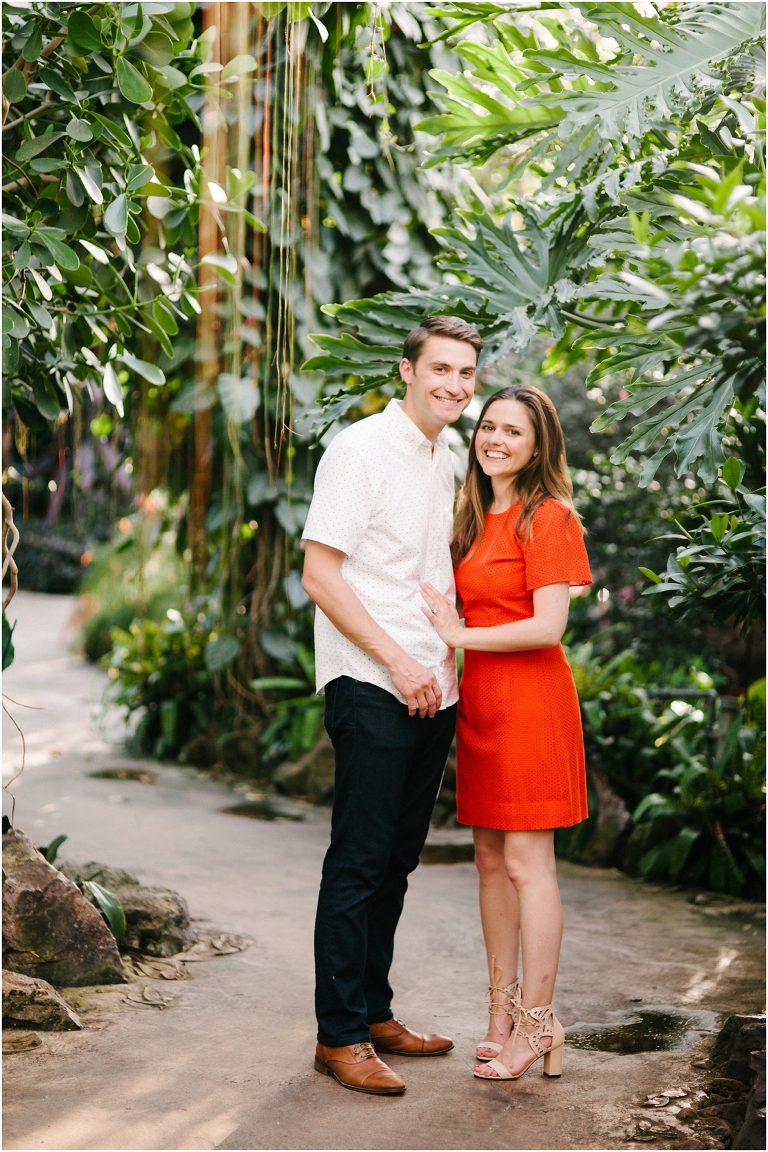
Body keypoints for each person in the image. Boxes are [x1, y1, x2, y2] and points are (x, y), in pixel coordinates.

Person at [301, 315, 482, 1096]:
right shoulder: (359, 451)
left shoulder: (443, 457)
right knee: (360, 858)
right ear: (406, 370)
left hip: (430, 684)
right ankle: (338, 1037)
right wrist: (398, 659)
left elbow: (426, 569)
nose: (453, 385)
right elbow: (320, 574)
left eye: (465, 374)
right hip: (373, 680)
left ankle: (374, 1013)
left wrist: (441, 659)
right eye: (440, 369)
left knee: (399, 860)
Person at [420, 384, 592, 1083]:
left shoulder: (548, 517)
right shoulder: (472, 515)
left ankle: (539, 1024)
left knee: (529, 866)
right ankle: (500, 1016)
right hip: (483, 706)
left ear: (538, 445)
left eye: (513, 432)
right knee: (489, 862)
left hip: (532, 706)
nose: (495, 439)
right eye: (488, 426)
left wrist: (460, 632)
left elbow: (551, 625)